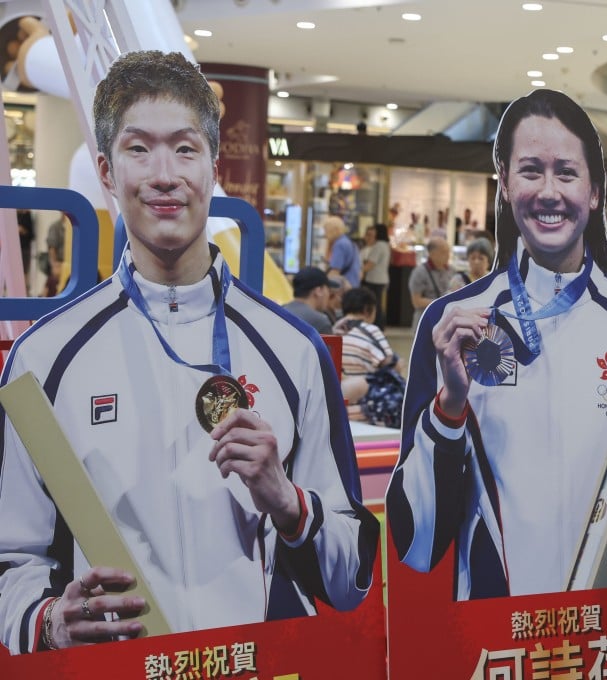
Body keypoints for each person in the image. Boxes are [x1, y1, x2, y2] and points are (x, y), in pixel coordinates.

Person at [0, 51, 378, 654]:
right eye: (138, 149)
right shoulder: (45, 358)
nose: (164, 174)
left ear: (212, 165)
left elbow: (353, 575)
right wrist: (45, 622)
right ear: (105, 170)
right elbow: (10, 557)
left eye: (184, 147)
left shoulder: (292, 350)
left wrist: (288, 502)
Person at [386, 88, 607, 600]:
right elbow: (416, 542)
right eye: (530, 170)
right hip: (498, 637)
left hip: (604, 636)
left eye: (567, 173)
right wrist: (451, 405)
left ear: (595, 192)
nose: (549, 191)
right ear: (504, 183)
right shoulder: (453, 325)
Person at [335, 288, 405, 428]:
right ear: (368, 310)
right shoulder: (371, 330)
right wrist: (401, 363)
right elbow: (390, 365)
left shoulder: (335, 330)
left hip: (343, 405)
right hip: (369, 405)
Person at [407, 236, 453, 334]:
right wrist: (442, 302)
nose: (448, 255)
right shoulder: (419, 272)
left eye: (449, 252)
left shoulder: (452, 271)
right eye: (444, 252)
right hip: (425, 322)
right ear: (432, 254)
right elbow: (416, 301)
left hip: (447, 324)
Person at [282, 266, 341, 335]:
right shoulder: (320, 320)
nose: (328, 294)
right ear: (319, 291)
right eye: (328, 289)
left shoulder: (280, 311)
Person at [359, 223, 391, 328]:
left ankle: (378, 325)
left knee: (374, 304)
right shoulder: (385, 245)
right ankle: (380, 325)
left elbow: (370, 264)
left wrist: (359, 269)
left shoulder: (378, 246)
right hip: (381, 279)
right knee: (377, 304)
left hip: (375, 279)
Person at [324, 215, 361, 290]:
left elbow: (335, 271)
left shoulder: (339, 244)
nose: (325, 234)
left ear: (335, 230)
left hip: (343, 287)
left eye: (326, 230)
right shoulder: (349, 242)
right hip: (353, 284)